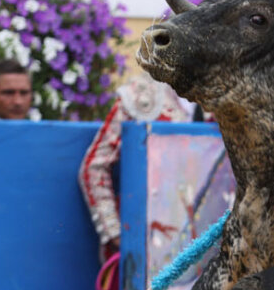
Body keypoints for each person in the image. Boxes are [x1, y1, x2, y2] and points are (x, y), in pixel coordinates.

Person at [79, 74, 195, 261]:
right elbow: (94, 167)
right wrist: (115, 232)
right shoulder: (143, 96)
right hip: (150, 243)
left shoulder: (229, 92)